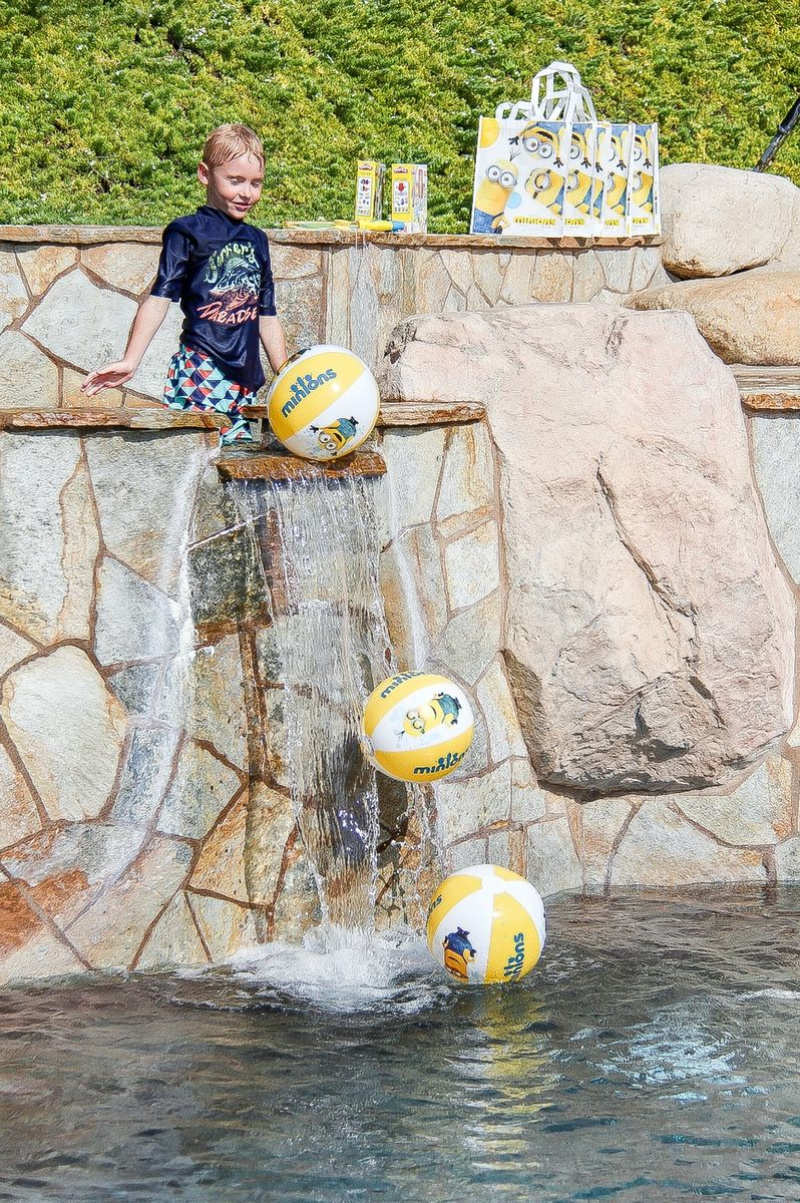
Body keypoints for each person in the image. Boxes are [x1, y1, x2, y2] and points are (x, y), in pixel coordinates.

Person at [82, 123, 288, 446]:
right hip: (201, 367)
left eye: (255, 183)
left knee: (235, 462)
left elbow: (267, 314)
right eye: (235, 181)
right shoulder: (187, 232)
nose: (247, 192)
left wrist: (285, 373)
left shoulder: (257, 241)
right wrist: (131, 359)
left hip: (245, 377)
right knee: (199, 459)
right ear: (205, 174)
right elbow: (159, 298)